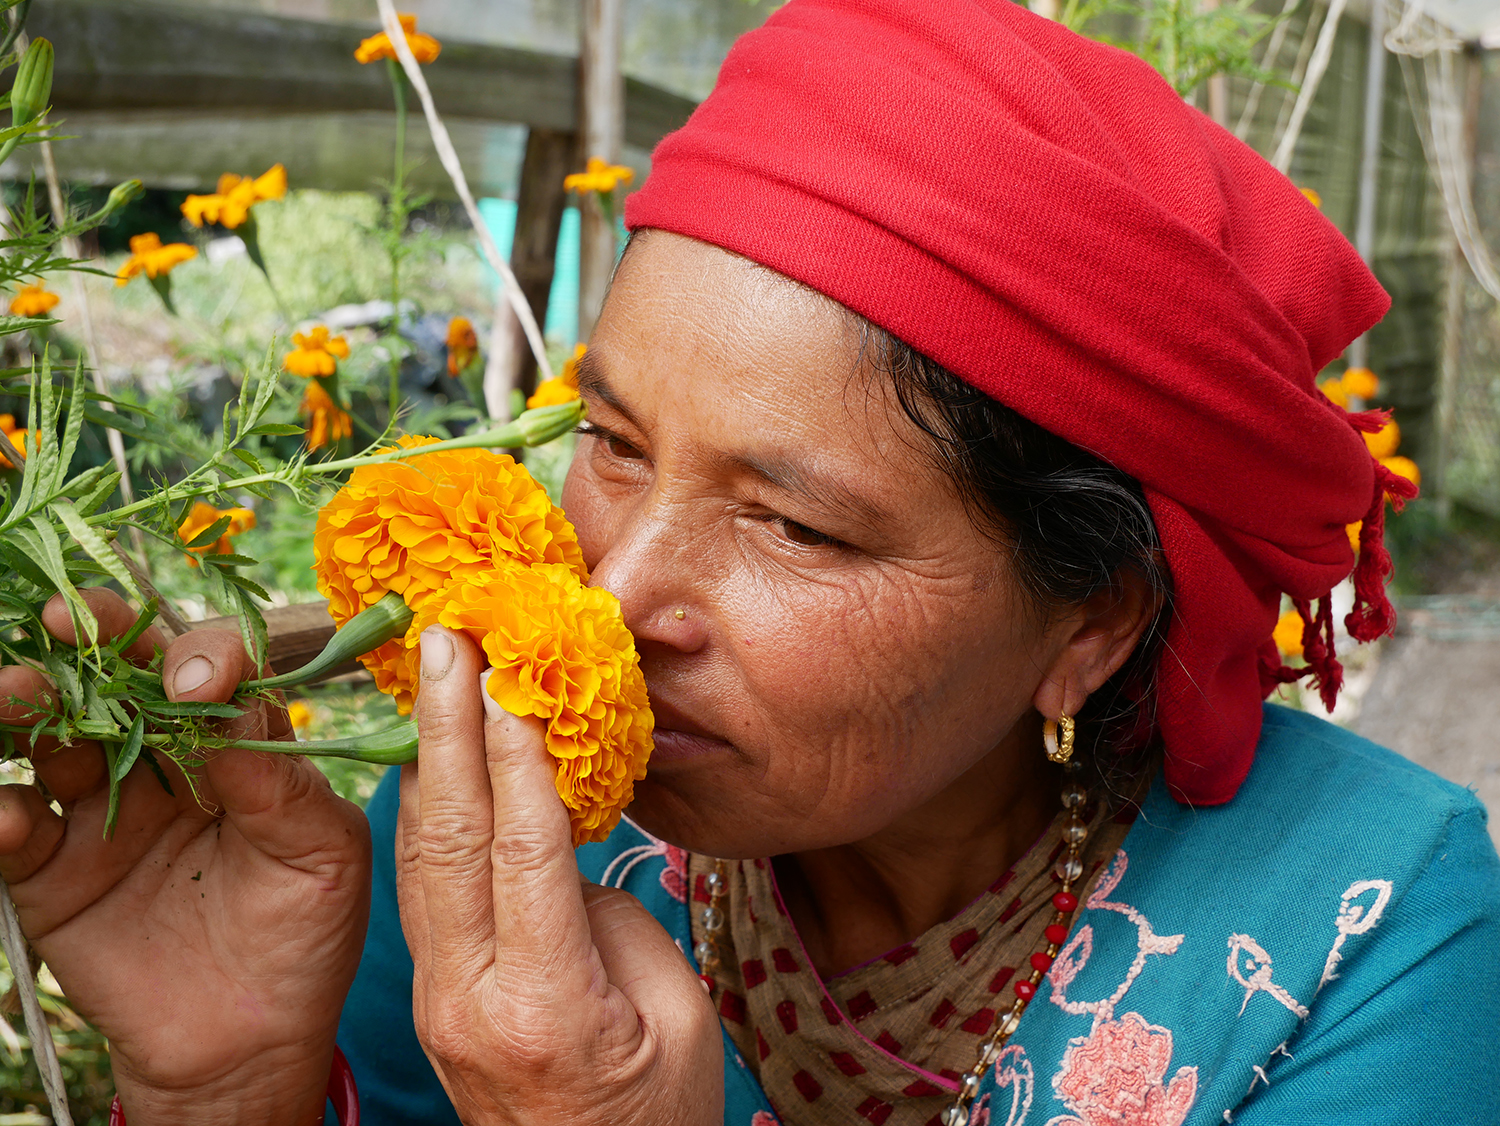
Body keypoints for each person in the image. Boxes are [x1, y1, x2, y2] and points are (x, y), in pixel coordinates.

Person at [1, 1, 1497, 1123]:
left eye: (795, 524)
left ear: (1092, 617)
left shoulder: (1367, 943)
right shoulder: (504, 828)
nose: (619, 592)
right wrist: (234, 1083)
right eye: (615, 442)